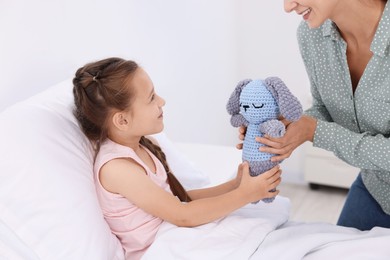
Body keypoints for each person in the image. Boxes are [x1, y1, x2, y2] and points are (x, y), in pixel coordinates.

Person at [72, 57, 282, 259]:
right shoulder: (118, 168)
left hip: (175, 233)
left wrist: (236, 185)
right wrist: (245, 194)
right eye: (151, 97)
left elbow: (180, 199)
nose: (162, 101)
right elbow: (183, 215)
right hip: (161, 248)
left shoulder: (145, 145)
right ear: (122, 120)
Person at [242, 0, 390, 231]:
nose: (287, 6)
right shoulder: (313, 36)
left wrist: (315, 131)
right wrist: (290, 125)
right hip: (376, 188)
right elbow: (323, 107)